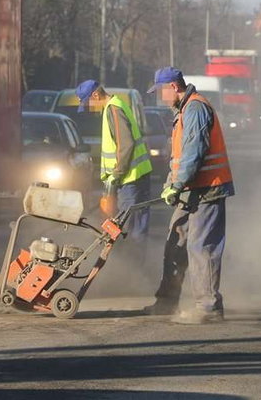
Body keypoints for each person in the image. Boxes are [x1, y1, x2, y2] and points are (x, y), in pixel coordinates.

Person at [145, 67, 234, 325]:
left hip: (207, 189)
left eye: (160, 92)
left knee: (201, 246)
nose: (159, 98)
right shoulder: (183, 110)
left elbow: (194, 152)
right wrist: (170, 184)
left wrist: (178, 183)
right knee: (176, 240)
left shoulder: (195, 108)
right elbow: (179, 157)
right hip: (190, 188)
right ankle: (167, 303)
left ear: (173, 86)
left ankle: (209, 307)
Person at [75, 80, 153, 240]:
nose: (89, 109)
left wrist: (116, 174)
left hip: (130, 181)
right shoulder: (117, 106)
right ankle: (138, 262)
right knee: (137, 228)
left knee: (127, 230)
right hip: (136, 178)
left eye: (88, 104)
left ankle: (132, 262)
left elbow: (126, 144)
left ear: (95, 95)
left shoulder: (114, 109)